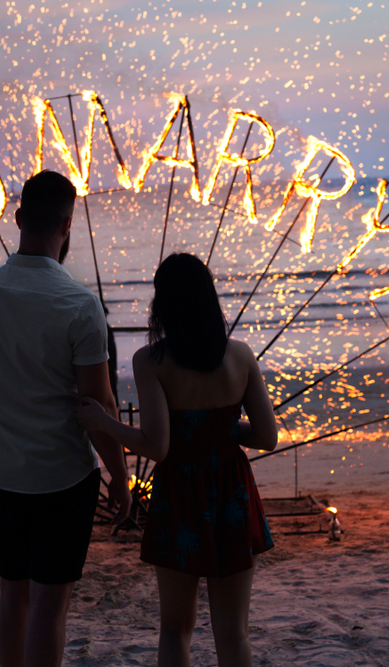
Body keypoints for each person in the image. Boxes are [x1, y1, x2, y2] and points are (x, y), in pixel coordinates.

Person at [0, 170, 132, 667]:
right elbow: (99, 405)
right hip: (63, 476)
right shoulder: (78, 304)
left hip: (3, 472)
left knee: (13, 595)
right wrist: (120, 476)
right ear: (68, 225)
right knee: (50, 607)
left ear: (17, 219)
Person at [76, 252, 278, 667]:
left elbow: (157, 445)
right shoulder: (241, 356)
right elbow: (267, 436)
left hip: (182, 494)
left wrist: (103, 422)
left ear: (162, 304)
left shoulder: (152, 361)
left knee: (174, 629)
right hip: (231, 491)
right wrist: (218, 430)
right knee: (233, 630)